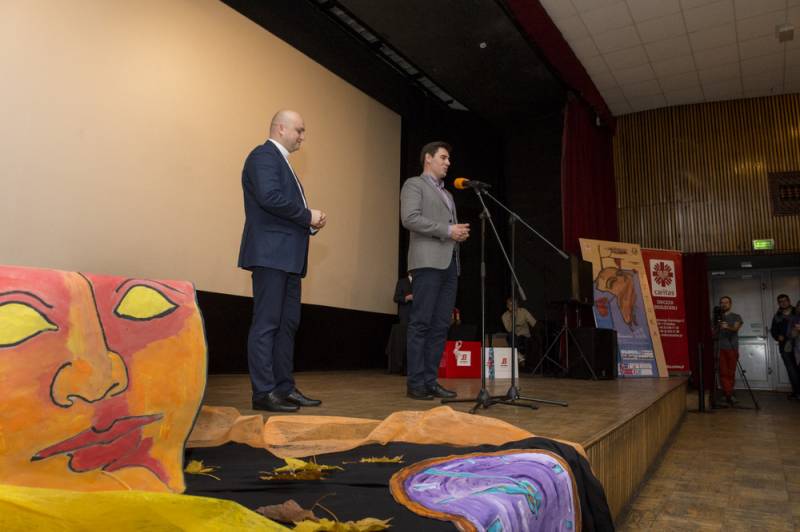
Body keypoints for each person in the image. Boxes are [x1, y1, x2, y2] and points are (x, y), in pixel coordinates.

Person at [238, 109, 327, 412]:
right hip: (271, 255)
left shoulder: (282, 162)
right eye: (299, 130)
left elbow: (279, 204)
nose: (303, 137)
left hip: (287, 257)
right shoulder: (263, 156)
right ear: (280, 129)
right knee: (267, 324)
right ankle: (263, 392)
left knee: (287, 325)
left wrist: (308, 224)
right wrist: (307, 215)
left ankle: (284, 388)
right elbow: (270, 198)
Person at [400, 141, 469, 400]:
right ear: (428, 158)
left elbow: (447, 228)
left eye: (449, 158)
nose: (448, 163)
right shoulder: (414, 185)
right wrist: (448, 230)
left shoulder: (448, 195)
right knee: (421, 323)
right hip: (427, 263)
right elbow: (410, 218)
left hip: (450, 265)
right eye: (443, 157)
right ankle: (416, 383)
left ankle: (431, 381)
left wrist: (457, 234)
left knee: (441, 325)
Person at [713, 296, 742, 407]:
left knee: (731, 372)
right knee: (723, 372)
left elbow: (735, 328)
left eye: (726, 302)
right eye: (722, 302)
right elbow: (713, 333)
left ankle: (729, 393)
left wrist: (727, 327)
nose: (724, 304)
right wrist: (717, 327)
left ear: (730, 304)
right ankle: (728, 394)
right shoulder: (716, 317)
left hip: (732, 348)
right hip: (720, 348)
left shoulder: (736, 316)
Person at [770, 294, 799, 399]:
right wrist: (778, 336)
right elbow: (773, 330)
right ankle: (797, 392)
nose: (783, 303)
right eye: (780, 301)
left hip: (798, 344)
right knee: (791, 370)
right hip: (785, 347)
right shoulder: (777, 316)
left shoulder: (797, 311)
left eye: (785, 300)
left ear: (789, 301)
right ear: (778, 303)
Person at [501, 297, 537, 362]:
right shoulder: (504, 316)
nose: (512, 306)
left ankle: (518, 355)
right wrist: (512, 317)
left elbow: (533, 323)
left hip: (524, 336)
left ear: (517, 305)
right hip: (513, 336)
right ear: (507, 306)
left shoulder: (523, 311)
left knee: (516, 339)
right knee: (510, 336)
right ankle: (518, 355)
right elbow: (508, 329)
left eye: (514, 304)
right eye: (510, 305)